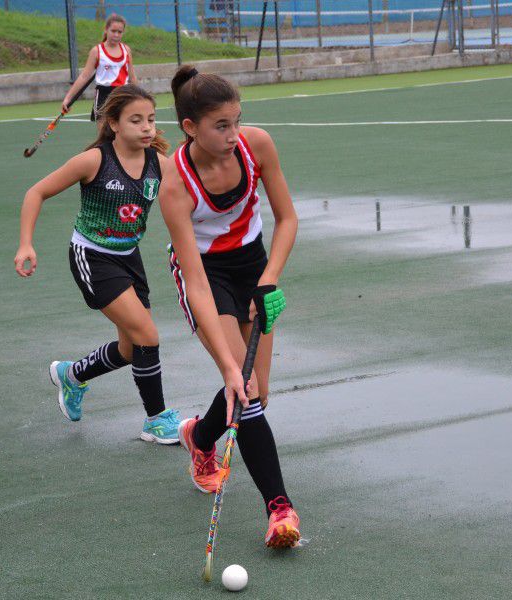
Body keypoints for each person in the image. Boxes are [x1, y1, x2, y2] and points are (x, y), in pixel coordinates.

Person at [159, 66, 301, 548]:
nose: (233, 134)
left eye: (237, 121)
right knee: (246, 388)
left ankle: (200, 436)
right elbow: (195, 282)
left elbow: (286, 219)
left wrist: (268, 280)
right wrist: (226, 365)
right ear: (190, 128)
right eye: (221, 126)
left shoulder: (257, 145)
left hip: (254, 266)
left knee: (257, 390)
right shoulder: (176, 185)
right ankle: (280, 509)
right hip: (206, 274)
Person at [14, 85, 181, 445]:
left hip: (129, 257)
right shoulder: (94, 160)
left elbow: (187, 202)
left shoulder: (159, 164)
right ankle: (156, 419)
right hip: (92, 257)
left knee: (130, 346)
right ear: (113, 123)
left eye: (151, 119)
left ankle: (71, 375)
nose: (147, 127)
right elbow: (36, 192)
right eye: (136, 120)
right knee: (148, 336)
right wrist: (26, 243)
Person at [61, 14, 137, 130]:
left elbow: (132, 77)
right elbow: (84, 77)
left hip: (123, 94)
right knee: (104, 135)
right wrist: (68, 99)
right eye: (113, 31)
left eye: (119, 32)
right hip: (104, 95)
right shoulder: (97, 51)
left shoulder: (126, 50)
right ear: (106, 30)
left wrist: (140, 97)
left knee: (124, 132)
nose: (116, 35)